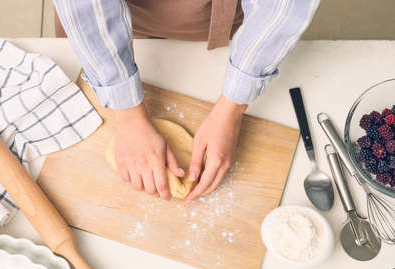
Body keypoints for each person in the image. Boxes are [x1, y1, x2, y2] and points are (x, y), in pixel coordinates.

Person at [53, 0, 320, 201]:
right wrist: (129, 115)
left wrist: (232, 107)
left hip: (232, 18)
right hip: (109, 20)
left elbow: (282, 8)